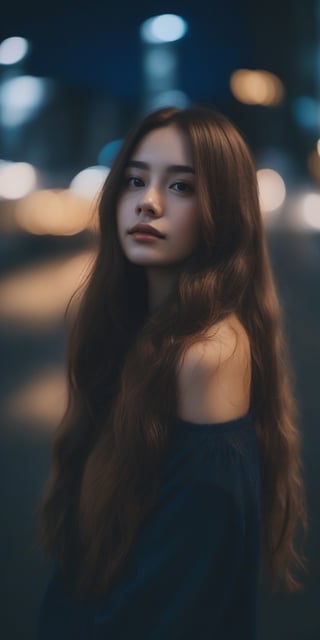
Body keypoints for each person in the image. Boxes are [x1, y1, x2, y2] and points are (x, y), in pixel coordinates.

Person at [37, 105, 307, 639]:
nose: (148, 202)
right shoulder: (146, 330)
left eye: (181, 187)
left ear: (224, 211)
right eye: (135, 180)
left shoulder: (204, 355)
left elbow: (180, 600)